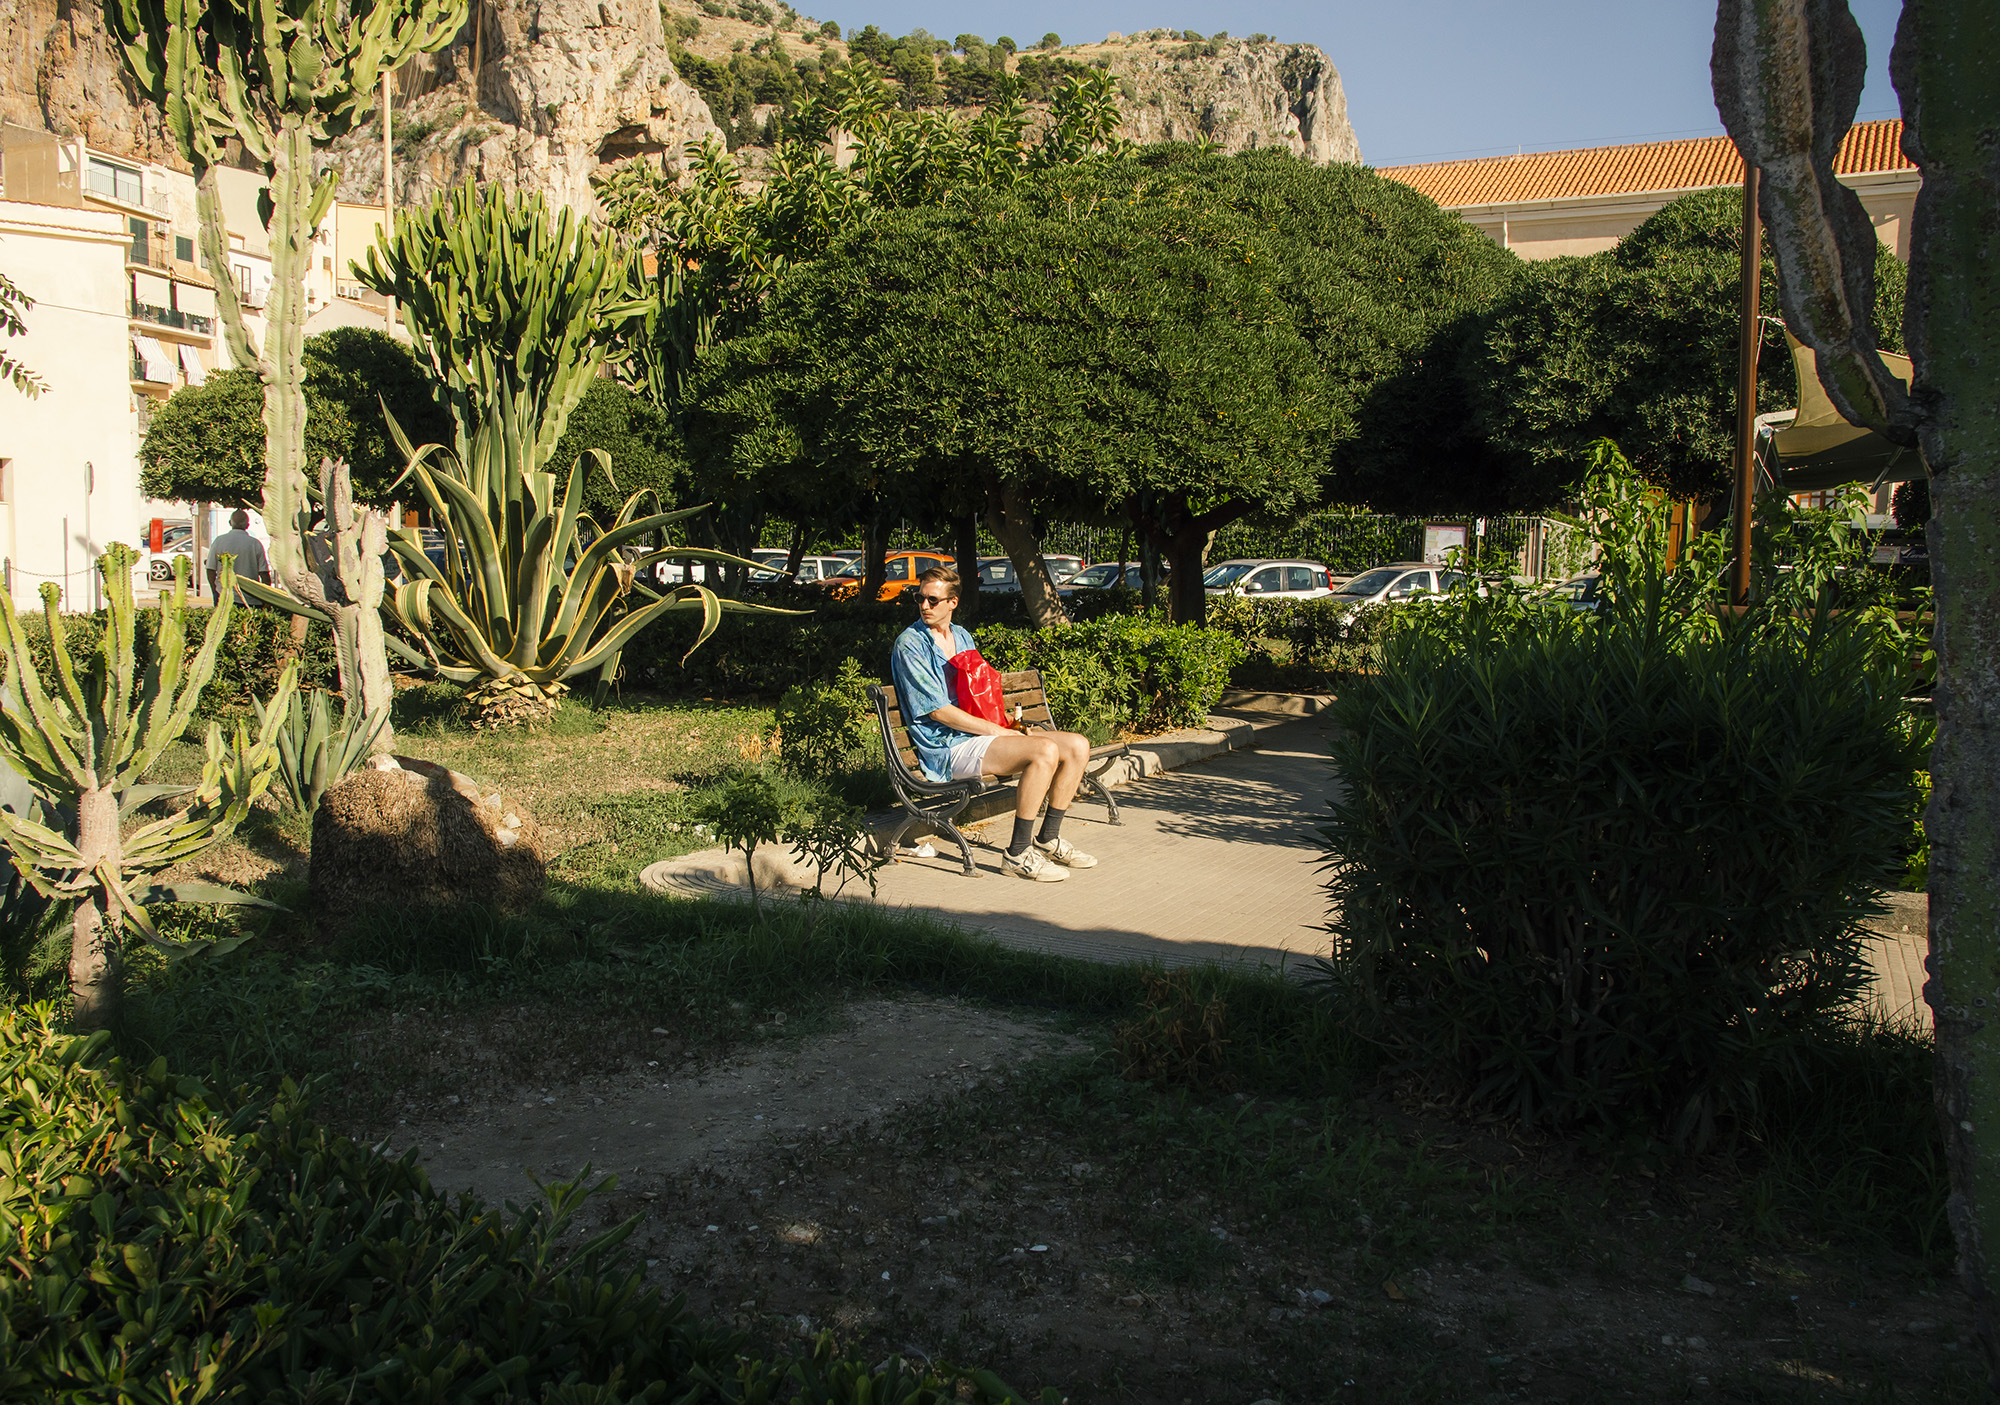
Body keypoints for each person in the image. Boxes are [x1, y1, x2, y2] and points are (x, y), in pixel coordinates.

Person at [889, 565, 1098, 882]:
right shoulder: (911, 644)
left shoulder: (961, 636)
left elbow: (976, 688)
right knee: (1042, 751)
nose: (924, 605)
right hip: (946, 749)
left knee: (1077, 746)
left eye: (933, 600)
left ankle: (1048, 838)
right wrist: (998, 731)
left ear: (952, 602)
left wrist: (1006, 723)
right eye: (920, 598)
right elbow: (938, 712)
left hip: (976, 737)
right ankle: (1016, 854)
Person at [206, 509, 271, 601]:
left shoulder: (219, 541)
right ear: (248, 525)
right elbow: (264, 574)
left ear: (230, 523)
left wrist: (215, 590)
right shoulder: (255, 544)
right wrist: (265, 597)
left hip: (224, 595)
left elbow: (210, 570)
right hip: (250, 597)